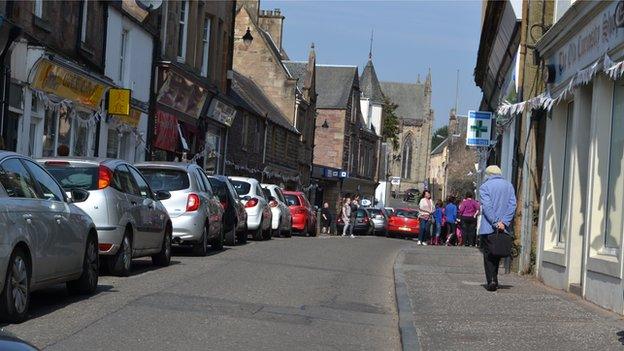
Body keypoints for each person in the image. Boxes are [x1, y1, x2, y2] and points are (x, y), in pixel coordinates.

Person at [479, 165, 517, 292]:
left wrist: (495, 222)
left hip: (489, 227)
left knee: (488, 255)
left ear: (488, 174)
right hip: (503, 228)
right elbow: (512, 205)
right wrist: (504, 222)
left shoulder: (485, 187)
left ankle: (492, 280)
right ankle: (494, 278)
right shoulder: (508, 186)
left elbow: (487, 207)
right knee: (497, 254)